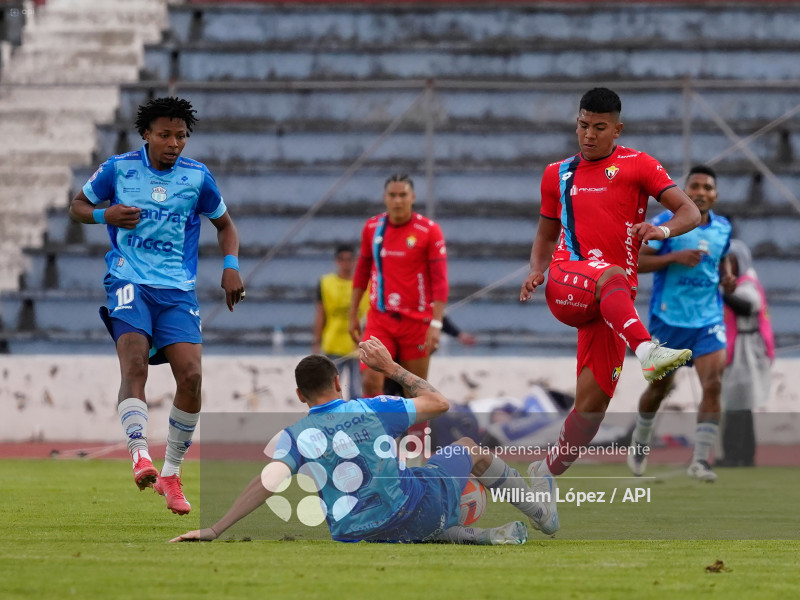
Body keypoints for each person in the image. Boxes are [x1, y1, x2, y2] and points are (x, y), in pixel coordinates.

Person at [170, 337, 558, 544]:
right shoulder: (374, 408)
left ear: (299, 395)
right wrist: (391, 368)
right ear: (338, 383)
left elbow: (267, 482)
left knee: (419, 480)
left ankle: (464, 534)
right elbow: (440, 402)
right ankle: (544, 516)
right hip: (410, 511)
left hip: (355, 532)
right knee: (468, 452)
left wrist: (216, 528)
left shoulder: (295, 436)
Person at [68, 97, 245, 515]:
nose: (174, 143)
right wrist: (105, 214)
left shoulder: (198, 177)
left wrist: (231, 266)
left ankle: (171, 472)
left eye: (181, 136)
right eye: (165, 135)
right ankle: (138, 454)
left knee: (192, 376)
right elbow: (77, 206)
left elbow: (225, 225)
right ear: (146, 134)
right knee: (134, 365)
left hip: (177, 291)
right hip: (129, 280)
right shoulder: (119, 168)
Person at [519, 87, 701, 483]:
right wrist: (537, 269)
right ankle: (648, 351)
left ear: (617, 129)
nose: (588, 135)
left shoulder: (640, 166)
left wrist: (662, 229)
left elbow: (690, 211)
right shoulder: (557, 174)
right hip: (569, 282)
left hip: (613, 303)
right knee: (610, 272)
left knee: (593, 407)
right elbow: (546, 235)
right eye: (583, 125)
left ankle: (543, 475)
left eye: (599, 127)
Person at [627, 165, 735, 482]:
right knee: (660, 389)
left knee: (713, 384)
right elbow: (638, 262)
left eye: (708, 187)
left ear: (715, 195)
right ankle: (640, 443)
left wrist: (727, 278)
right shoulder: (666, 224)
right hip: (669, 320)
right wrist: (673, 257)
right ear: (685, 192)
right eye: (696, 186)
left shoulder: (724, 228)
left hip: (708, 321)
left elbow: (721, 257)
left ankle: (700, 461)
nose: (702, 192)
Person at [348, 173, 448, 398]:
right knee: (370, 379)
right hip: (380, 319)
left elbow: (440, 281)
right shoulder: (373, 228)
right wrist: (353, 312)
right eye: (392, 195)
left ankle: (417, 435)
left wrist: (436, 324)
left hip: (416, 322)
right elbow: (362, 271)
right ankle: (377, 434)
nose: (398, 200)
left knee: (414, 391)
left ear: (412, 197)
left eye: (402, 195)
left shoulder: (429, 231)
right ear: (385, 197)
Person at [717, 239, 775, 467]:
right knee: (738, 403)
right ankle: (742, 454)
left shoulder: (746, 283)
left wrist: (722, 293)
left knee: (737, 402)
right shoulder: (739, 283)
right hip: (737, 346)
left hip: (746, 348)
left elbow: (748, 305)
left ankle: (736, 455)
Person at [312, 244, 369, 400]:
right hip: (334, 343)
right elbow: (320, 314)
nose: (346, 264)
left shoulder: (367, 284)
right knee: (331, 390)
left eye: (350, 259)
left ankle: (355, 422)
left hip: (358, 344)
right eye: (342, 259)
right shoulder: (326, 283)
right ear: (337, 261)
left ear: (355, 261)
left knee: (357, 392)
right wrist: (316, 342)